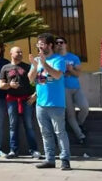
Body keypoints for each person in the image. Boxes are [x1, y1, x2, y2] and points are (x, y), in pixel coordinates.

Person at [28, 33, 71, 170]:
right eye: (38, 43)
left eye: (42, 43)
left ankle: (65, 160)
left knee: (60, 132)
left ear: (50, 45)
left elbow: (57, 75)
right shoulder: (36, 60)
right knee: (45, 133)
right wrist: (35, 66)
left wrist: (44, 63)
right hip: (41, 104)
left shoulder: (58, 59)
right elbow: (31, 79)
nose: (39, 46)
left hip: (56, 103)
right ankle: (50, 160)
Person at [0, 47, 41, 159]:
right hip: (12, 100)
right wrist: (10, 85)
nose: (21, 53)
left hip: (26, 100)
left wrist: (35, 94)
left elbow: (38, 80)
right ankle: (13, 150)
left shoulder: (27, 66)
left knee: (29, 125)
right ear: (11, 53)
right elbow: (1, 85)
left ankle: (34, 150)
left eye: (21, 51)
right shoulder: (5, 68)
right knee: (13, 126)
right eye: (18, 52)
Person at [54, 37, 89, 144]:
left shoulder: (73, 57)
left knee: (84, 107)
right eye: (57, 43)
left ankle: (78, 124)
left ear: (66, 44)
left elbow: (78, 74)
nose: (59, 44)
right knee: (70, 114)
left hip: (76, 87)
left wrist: (70, 69)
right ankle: (80, 135)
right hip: (63, 89)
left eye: (61, 42)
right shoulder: (54, 58)